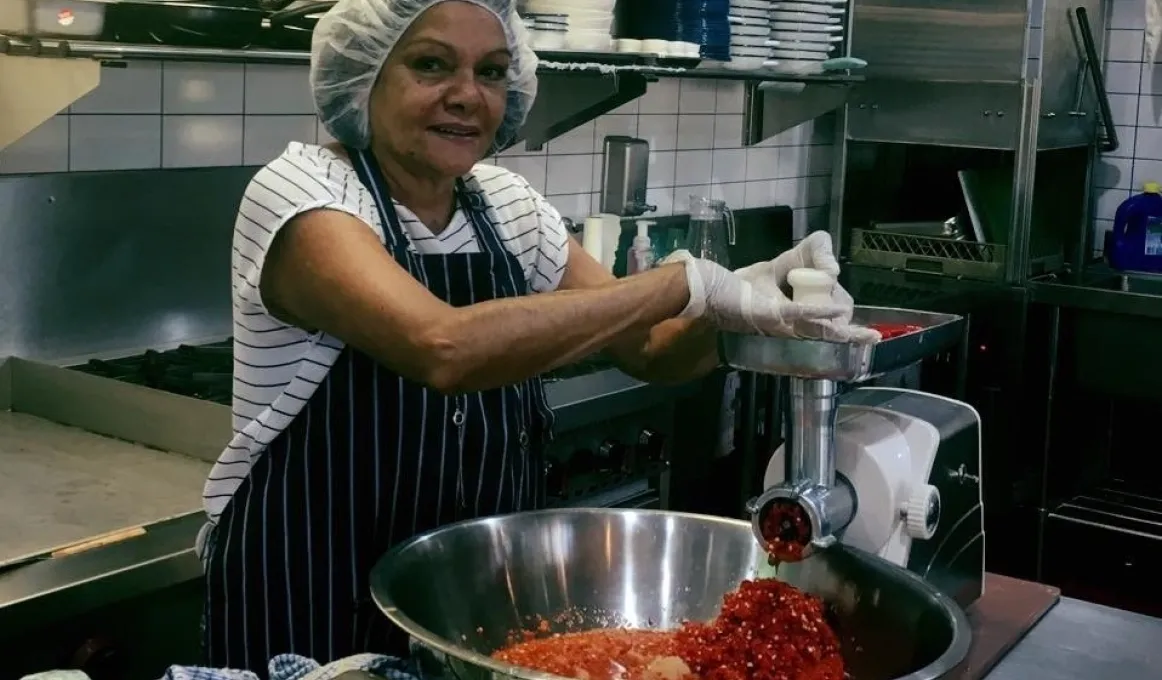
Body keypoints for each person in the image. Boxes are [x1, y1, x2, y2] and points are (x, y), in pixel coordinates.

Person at [197, 0, 879, 672]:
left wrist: (742, 313)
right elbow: (443, 347)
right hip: (310, 587)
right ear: (364, 76)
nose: (466, 96)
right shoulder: (303, 193)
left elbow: (650, 349)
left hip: (467, 599)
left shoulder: (506, 203)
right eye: (431, 65)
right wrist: (686, 283)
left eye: (492, 72)